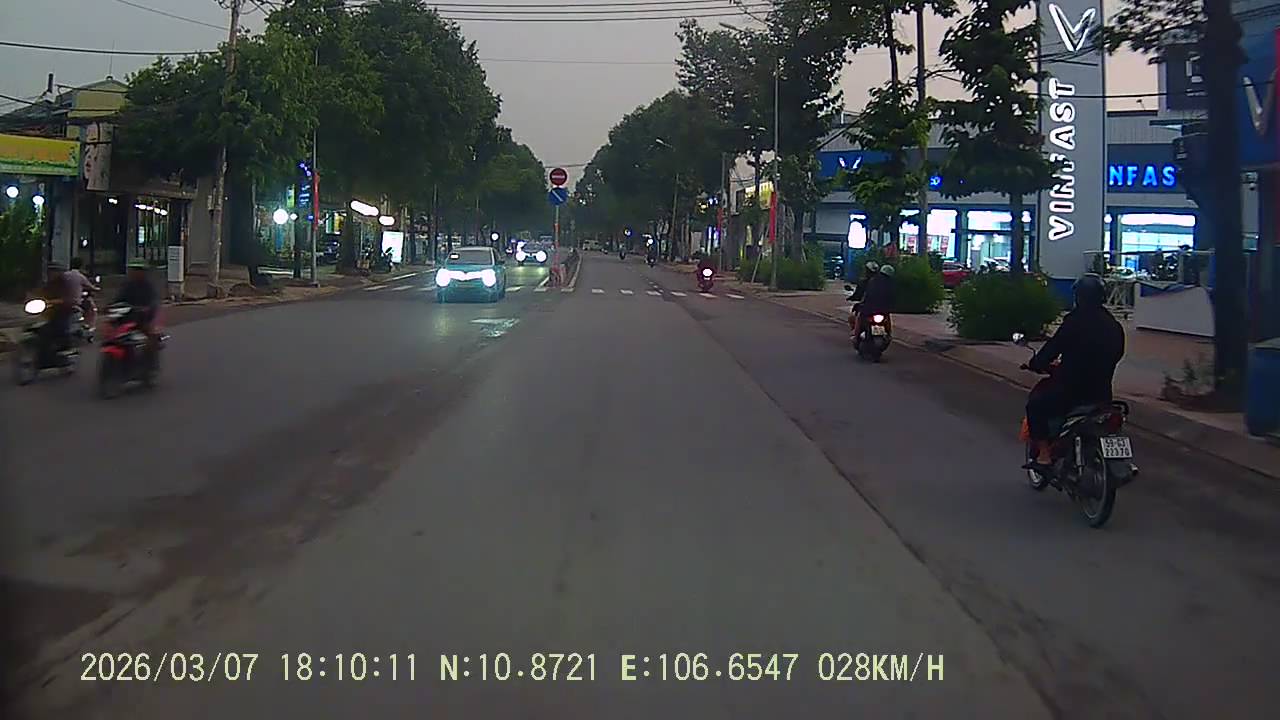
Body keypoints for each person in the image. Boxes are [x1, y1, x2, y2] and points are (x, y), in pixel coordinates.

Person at [1023, 273, 1126, 470]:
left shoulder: (1074, 322)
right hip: (1102, 394)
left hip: (1071, 393)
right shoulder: (1114, 326)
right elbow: (1117, 354)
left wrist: (1036, 363)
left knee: (1035, 406)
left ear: (1078, 297)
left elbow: (1052, 348)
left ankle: (1044, 456)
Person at [113, 260, 161, 349]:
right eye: (133, 270)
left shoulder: (148, 285)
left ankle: (152, 343)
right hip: (128, 312)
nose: (134, 272)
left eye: (138, 270)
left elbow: (153, 300)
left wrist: (146, 308)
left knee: (146, 327)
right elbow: (119, 298)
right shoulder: (127, 284)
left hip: (144, 314)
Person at [852, 263, 896, 342]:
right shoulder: (891, 284)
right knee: (887, 317)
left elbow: (867, 294)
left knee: (860, 317)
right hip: (882, 308)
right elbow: (893, 297)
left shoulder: (873, 281)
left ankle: (856, 336)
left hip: (870, 308)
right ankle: (889, 334)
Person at [64, 257, 99, 325]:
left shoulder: (65, 275)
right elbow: (90, 286)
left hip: (63, 300)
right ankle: (89, 325)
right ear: (81, 266)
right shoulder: (80, 276)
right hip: (76, 301)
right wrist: (97, 289)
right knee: (91, 309)